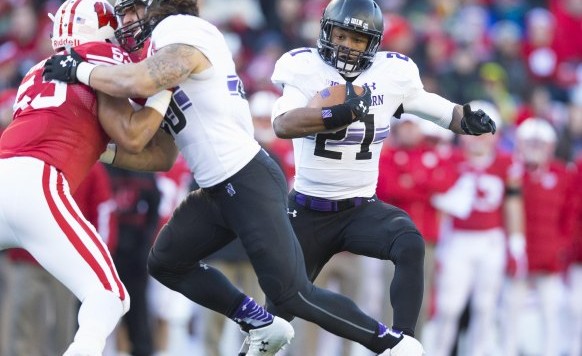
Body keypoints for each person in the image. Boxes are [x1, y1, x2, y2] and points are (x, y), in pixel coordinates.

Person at [38, 0, 496, 354]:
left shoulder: (179, 31)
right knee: (167, 262)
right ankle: (259, 322)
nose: (128, 20)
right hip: (238, 187)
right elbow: (152, 149)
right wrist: (99, 145)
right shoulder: (177, 53)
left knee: (297, 291)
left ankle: (395, 343)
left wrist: (83, 69)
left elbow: (138, 82)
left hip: (253, 179)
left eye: (136, 8)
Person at [266, 0, 496, 353]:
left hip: (361, 207)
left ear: (372, 44)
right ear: (326, 32)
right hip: (308, 210)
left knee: (409, 241)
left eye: (357, 39)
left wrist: (465, 119)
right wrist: (338, 112)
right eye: (341, 35)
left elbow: (437, 110)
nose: (346, 45)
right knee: (279, 313)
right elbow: (283, 124)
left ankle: (402, 343)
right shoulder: (304, 68)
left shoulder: (391, 75)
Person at [0, 0, 178, 354]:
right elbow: (149, 81)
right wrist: (168, 86)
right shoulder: (100, 54)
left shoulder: (35, 70)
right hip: (38, 182)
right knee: (109, 296)